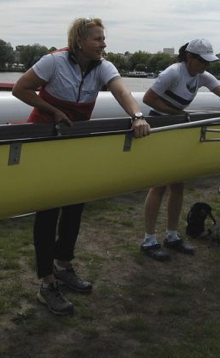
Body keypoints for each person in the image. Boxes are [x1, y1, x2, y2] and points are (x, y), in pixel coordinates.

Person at [11, 18, 150, 315]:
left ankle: (63, 265)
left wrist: (137, 115)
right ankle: (46, 282)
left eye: (103, 38)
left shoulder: (102, 66)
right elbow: (20, 89)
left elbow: (121, 90)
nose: (103, 43)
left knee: (75, 204)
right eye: (98, 39)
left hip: (74, 141)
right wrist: (55, 111)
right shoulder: (53, 62)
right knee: (48, 210)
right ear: (79, 42)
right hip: (46, 139)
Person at [140, 39, 220, 260]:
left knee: (178, 185)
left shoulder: (202, 77)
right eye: (202, 61)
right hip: (160, 127)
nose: (205, 66)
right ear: (189, 57)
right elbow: (149, 99)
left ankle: (172, 236)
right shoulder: (173, 72)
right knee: (158, 186)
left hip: (177, 128)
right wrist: (172, 113)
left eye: (208, 62)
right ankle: (149, 240)